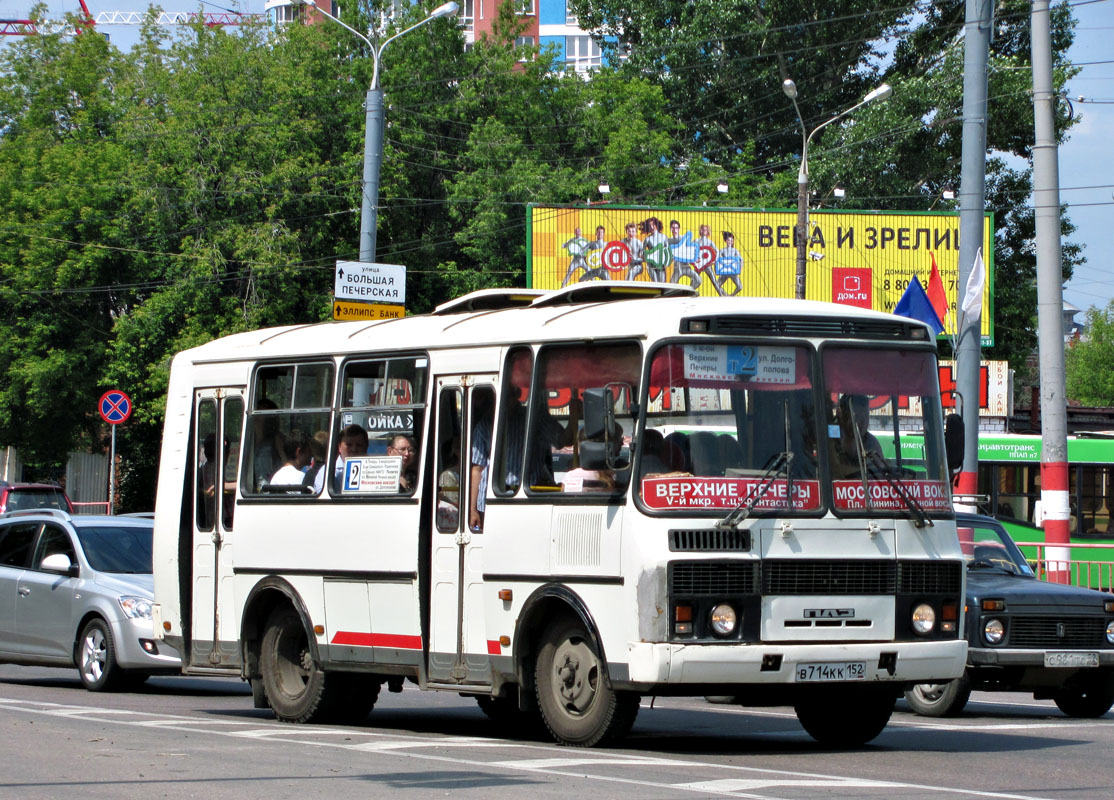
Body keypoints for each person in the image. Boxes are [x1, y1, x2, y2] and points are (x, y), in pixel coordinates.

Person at [832, 394, 883, 477]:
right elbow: (833, 468)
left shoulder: (871, 442)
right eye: (857, 416)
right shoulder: (832, 437)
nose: (863, 421)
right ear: (843, 415)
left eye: (866, 416)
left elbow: (881, 471)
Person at [319, 424, 368, 493]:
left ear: (366, 447)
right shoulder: (326, 472)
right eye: (349, 445)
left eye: (359, 445)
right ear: (339, 447)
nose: (354, 449)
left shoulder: (373, 470)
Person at [668, 219, 702, 290]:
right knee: (671, 286)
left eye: (676, 228)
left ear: (679, 229)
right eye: (673, 228)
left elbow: (692, 249)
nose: (675, 230)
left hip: (686, 267)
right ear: (670, 229)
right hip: (677, 268)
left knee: (698, 280)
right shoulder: (669, 241)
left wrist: (697, 258)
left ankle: (688, 291)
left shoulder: (684, 238)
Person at [641, 216, 671, 282]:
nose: (651, 227)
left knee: (662, 283)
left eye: (653, 224)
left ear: (656, 225)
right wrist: (644, 256)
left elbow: (668, 250)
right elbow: (642, 252)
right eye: (649, 225)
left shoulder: (663, 237)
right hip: (651, 265)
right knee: (655, 282)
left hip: (661, 264)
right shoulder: (647, 239)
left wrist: (667, 260)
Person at [715, 230, 743, 296]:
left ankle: (732, 295)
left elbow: (741, 259)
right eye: (728, 240)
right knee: (717, 285)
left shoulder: (735, 250)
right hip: (725, 271)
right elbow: (716, 260)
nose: (730, 242)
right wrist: (716, 270)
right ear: (726, 241)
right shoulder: (722, 250)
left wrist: (740, 269)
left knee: (740, 287)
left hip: (733, 271)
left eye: (731, 241)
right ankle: (726, 295)